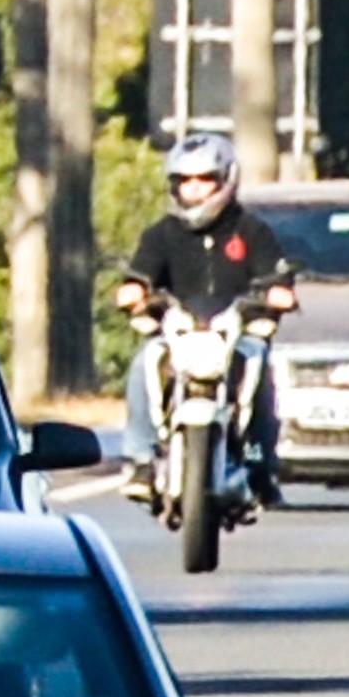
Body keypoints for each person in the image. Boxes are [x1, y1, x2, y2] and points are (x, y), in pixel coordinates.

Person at [116, 133, 295, 505]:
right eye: (185, 181)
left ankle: (260, 463)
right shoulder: (161, 234)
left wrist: (277, 294)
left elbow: (275, 276)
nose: (194, 189)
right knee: (144, 363)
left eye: (204, 179)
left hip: (235, 332)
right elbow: (139, 275)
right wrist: (133, 291)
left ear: (226, 179)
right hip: (179, 331)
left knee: (259, 369)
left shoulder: (251, 230)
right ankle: (141, 460)